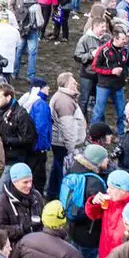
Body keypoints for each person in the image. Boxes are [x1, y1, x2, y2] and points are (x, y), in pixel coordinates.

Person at [62, 144, 111, 258]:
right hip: (89, 233)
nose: (108, 161)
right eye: (105, 158)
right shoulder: (95, 182)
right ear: (97, 160)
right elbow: (100, 209)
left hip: (74, 227)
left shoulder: (74, 169)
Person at [90, 30, 129, 136]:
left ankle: (122, 134)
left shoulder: (124, 50)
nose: (125, 41)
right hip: (104, 85)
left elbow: (128, 63)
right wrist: (111, 71)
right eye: (123, 39)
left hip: (118, 86)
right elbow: (94, 67)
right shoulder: (103, 50)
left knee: (122, 112)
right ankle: (93, 134)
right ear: (115, 39)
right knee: (98, 112)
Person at [48, 72, 87, 201]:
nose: (76, 83)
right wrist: (72, 151)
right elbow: (68, 128)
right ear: (65, 85)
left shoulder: (64, 97)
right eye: (72, 82)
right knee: (63, 171)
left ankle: (52, 192)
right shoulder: (65, 101)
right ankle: (62, 197)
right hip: (63, 144)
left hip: (58, 142)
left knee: (57, 166)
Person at [0, 162, 44, 244]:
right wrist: (22, 229)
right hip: (15, 247)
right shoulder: (2, 203)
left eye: (31, 181)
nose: (29, 185)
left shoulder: (36, 195)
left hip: (37, 242)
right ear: (14, 182)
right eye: (25, 182)